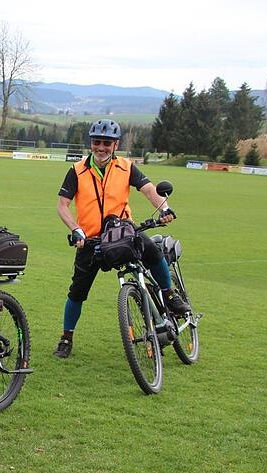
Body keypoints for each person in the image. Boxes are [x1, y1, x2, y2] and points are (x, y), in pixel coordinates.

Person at [53, 119, 189, 359]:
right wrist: (76, 229)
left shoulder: (127, 167)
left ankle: (169, 294)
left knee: (154, 254)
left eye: (106, 143)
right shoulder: (77, 170)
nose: (101, 147)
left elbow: (148, 189)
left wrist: (165, 208)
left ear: (115, 145)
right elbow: (62, 205)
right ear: (91, 143)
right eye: (97, 142)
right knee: (77, 292)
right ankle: (66, 338)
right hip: (91, 239)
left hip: (123, 232)